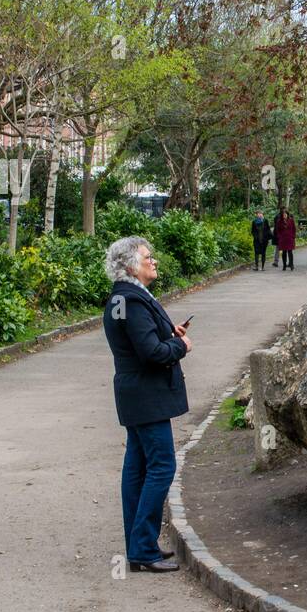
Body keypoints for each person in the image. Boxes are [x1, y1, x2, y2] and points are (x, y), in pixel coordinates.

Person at [101, 236, 192, 574]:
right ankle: (142, 547)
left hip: (136, 394)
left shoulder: (125, 298)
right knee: (162, 465)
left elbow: (145, 342)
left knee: (138, 469)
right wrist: (181, 346)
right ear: (129, 266)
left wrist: (170, 335)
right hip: (145, 396)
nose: (154, 261)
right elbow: (151, 353)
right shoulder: (131, 300)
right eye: (147, 257)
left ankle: (141, 545)